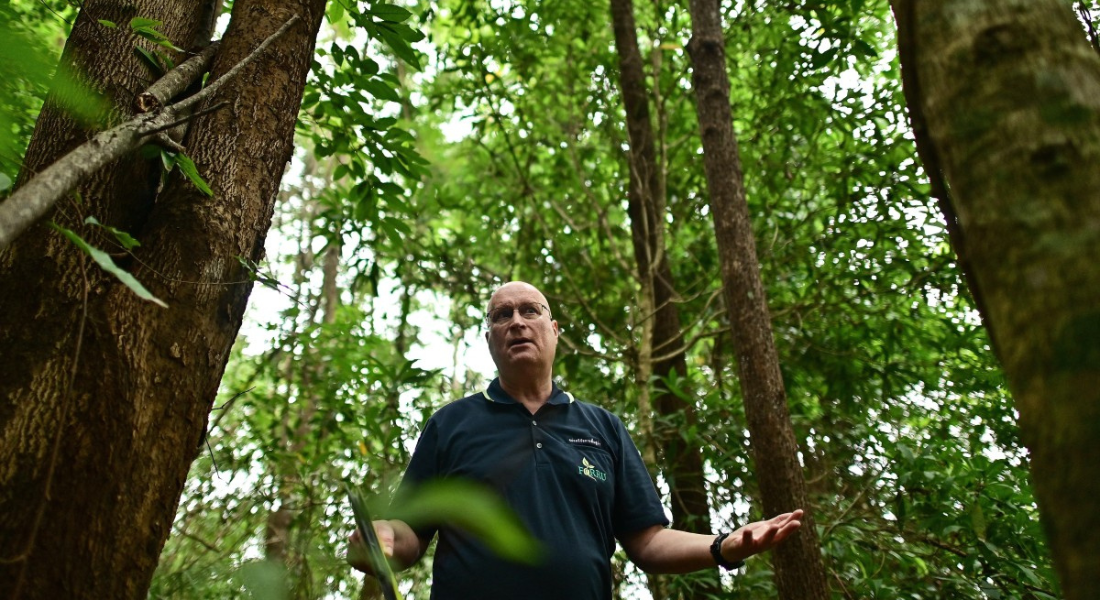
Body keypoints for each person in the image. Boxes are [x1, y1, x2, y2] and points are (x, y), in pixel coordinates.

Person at [350, 281, 803, 599]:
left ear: (555, 330)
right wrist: (383, 537)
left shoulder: (603, 427)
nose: (517, 321)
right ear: (489, 338)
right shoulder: (450, 424)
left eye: (531, 311)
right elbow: (410, 534)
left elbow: (647, 542)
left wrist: (722, 546)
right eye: (502, 315)